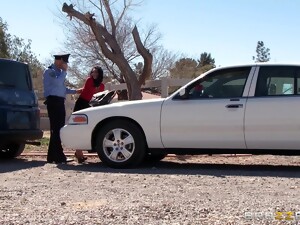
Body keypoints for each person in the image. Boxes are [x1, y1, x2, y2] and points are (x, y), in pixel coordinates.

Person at [43, 53, 78, 164]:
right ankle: (59, 157)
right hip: (53, 101)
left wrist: (76, 91)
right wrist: (65, 72)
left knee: (58, 129)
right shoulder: (50, 72)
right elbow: (58, 83)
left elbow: (62, 88)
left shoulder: (59, 73)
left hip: (59, 101)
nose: (65, 65)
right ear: (60, 61)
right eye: (64, 62)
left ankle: (52, 156)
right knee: (56, 129)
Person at [73, 66, 105, 163]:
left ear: (100, 74)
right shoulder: (89, 80)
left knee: (89, 129)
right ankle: (79, 153)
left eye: (96, 72)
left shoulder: (102, 85)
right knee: (78, 128)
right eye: (93, 72)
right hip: (82, 104)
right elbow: (90, 93)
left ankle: (80, 152)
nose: (94, 74)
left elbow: (99, 97)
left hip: (92, 106)